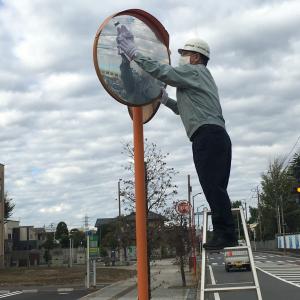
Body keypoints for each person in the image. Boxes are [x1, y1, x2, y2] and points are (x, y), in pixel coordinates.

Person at [116, 26, 237, 250]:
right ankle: (226, 232)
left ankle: (226, 234)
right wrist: (166, 101)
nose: (181, 58)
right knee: (215, 187)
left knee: (212, 186)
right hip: (215, 136)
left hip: (207, 136)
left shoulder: (196, 71)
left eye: (185, 54)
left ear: (196, 57)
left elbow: (165, 72)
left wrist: (134, 53)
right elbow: (184, 109)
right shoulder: (198, 79)